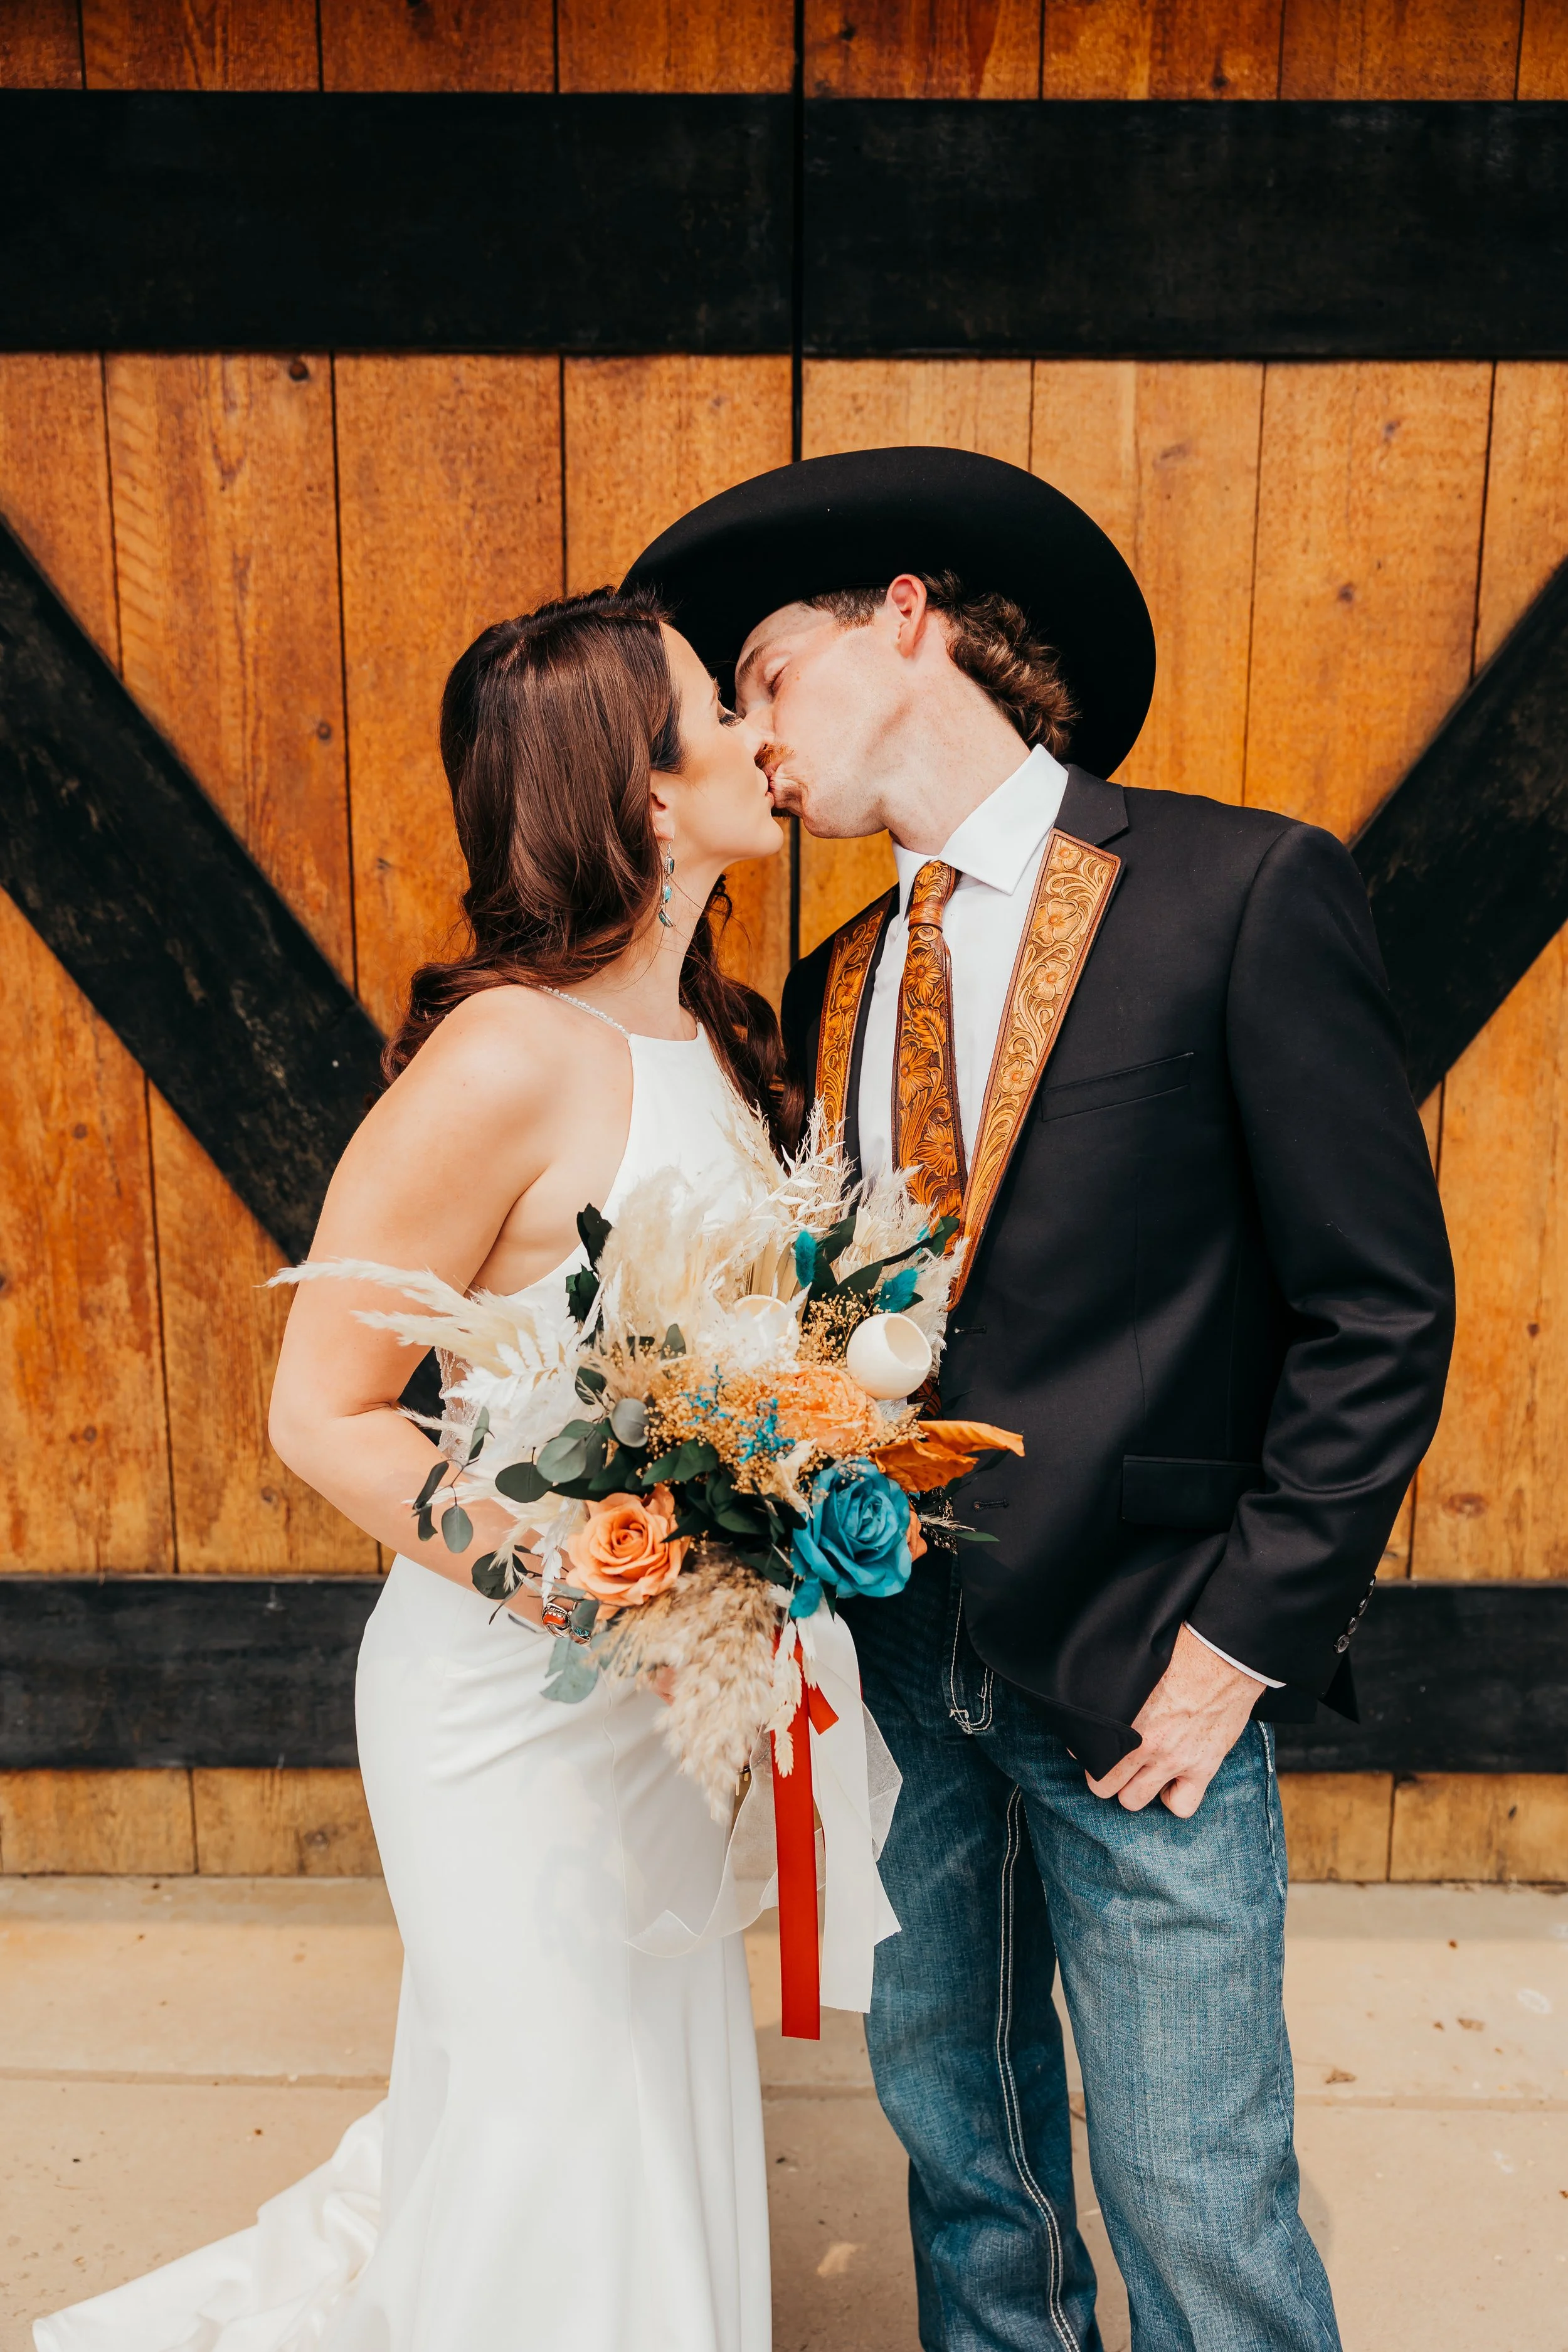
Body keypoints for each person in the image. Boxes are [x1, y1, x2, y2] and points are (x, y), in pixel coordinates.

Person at [624, 447, 1456, 2352]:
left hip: (1143, 1680)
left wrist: (1242, 1642)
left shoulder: (1238, 889)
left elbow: (1377, 1309)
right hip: (900, 1681)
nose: (751, 741)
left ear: (900, 619)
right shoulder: (831, 984)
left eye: (760, 677)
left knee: (1191, 2190)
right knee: (965, 2166)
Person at [34, 590, 790, 2352]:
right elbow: (326, 1409)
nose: (766, 736)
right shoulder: (505, 1057)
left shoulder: (720, 1036)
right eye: (716, 709)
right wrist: (571, 1569)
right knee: (557, 2119)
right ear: (646, 795)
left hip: (667, 1698)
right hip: (512, 1698)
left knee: (630, 2099)